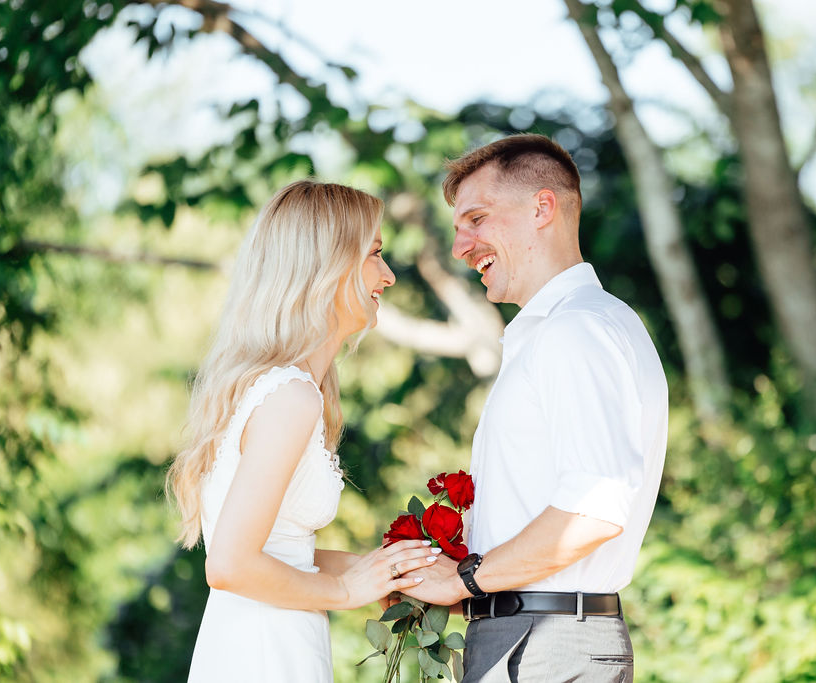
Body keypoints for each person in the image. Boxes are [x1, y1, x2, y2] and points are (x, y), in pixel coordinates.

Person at [404, 134, 669, 681]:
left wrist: (465, 578)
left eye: (476, 218)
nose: (461, 246)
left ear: (542, 207)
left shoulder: (577, 331)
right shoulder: (571, 327)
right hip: (533, 635)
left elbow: (593, 509)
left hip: (548, 644)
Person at [166, 180, 440, 683]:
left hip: (256, 641)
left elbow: (280, 551)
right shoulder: (290, 397)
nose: (389, 275)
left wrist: (375, 571)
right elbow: (229, 564)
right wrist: (345, 592)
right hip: (265, 653)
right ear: (329, 267)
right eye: (375, 254)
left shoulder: (274, 389)